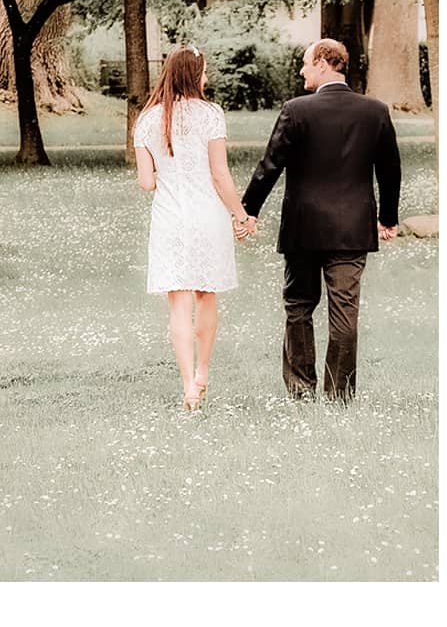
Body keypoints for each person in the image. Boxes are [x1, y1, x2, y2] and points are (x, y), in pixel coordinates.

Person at [241, 39, 403, 404]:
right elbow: (390, 170)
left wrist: (248, 209)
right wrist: (387, 217)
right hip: (352, 229)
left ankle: (301, 388)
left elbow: (270, 165)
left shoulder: (296, 111)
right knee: (345, 310)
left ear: (322, 63)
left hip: (304, 226)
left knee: (299, 305)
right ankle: (339, 394)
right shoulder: (374, 111)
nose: (302, 71)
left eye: (305, 63)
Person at [132, 45, 252, 411]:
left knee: (178, 305)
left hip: (170, 219)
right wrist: (241, 215)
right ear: (193, 74)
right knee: (207, 295)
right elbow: (219, 174)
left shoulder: (147, 120)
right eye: (204, 71)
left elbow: (146, 182)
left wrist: (161, 171)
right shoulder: (211, 115)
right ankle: (202, 373)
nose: (207, 77)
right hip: (207, 217)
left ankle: (187, 386)